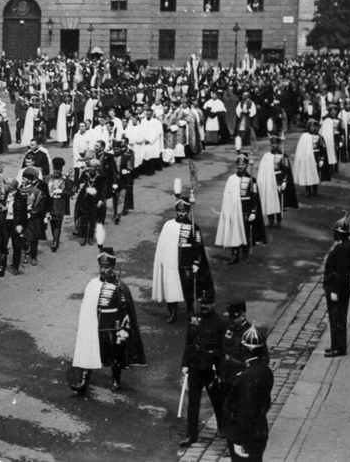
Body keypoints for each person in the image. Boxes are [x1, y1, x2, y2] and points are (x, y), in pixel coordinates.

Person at [69, 247, 146, 396]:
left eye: (106, 267)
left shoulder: (120, 287)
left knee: (115, 355)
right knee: (88, 351)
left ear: (113, 268)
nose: (103, 270)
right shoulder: (92, 284)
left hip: (112, 326)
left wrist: (124, 328)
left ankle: (116, 380)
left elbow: (125, 311)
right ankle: (83, 383)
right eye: (101, 267)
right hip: (95, 324)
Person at [153, 190, 213, 324]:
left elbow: (198, 247)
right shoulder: (168, 225)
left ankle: (190, 311)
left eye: (184, 211)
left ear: (188, 211)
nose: (181, 213)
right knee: (171, 287)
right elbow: (163, 245)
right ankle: (173, 312)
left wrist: (196, 263)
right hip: (171, 263)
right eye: (179, 211)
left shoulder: (193, 227)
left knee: (188, 288)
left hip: (186, 263)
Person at [179, 289, 226, 448]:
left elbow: (223, 348)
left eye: (208, 304)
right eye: (202, 304)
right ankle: (191, 435)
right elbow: (189, 341)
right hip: (195, 366)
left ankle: (222, 427)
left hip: (211, 368)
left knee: (217, 400)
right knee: (193, 402)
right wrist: (185, 363)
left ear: (213, 303)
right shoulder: (194, 318)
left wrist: (221, 369)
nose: (204, 307)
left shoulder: (221, 322)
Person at [222, 325, 273, 461]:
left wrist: (238, 440)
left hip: (247, 434)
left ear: (245, 350)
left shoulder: (248, 376)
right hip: (259, 427)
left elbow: (246, 410)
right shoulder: (264, 369)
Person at [216, 151, 265, 265]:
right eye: (239, 165)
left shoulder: (252, 180)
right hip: (234, 209)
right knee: (234, 230)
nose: (240, 166)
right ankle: (234, 254)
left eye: (243, 165)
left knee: (246, 231)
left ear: (247, 165)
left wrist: (253, 211)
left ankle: (245, 251)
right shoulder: (231, 179)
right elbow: (227, 196)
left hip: (246, 208)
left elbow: (255, 197)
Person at [323, 214, 350, 358]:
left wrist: (335, 290)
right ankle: (336, 345)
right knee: (337, 318)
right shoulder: (347, 246)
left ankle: (339, 348)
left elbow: (342, 272)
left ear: (339, 233)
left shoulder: (342, 249)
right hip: (342, 287)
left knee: (337, 318)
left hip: (338, 288)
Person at [256, 135, 298, 227]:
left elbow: (286, 170)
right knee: (269, 200)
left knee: (278, 200)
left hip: (278, 181)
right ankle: (270, 219)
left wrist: (284, 181)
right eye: (272, 143)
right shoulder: (266, 156)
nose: (274, 145)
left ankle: (278, 214)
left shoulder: (283, 156)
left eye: (275, 143)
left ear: (279, 144)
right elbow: (263, 170)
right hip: (269, 181)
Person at [75, 159, 107, 247]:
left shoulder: (101, 176)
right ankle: (83, 237)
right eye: (91, 166)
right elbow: (79, 181)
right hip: (85, 198)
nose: (92, 168)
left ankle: (90, 237)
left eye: (94, 167)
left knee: (93, 219)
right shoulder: (85, 173)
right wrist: (81, 185)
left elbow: (103, 188)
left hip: (95, 199)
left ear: (97, 167)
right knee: (84, 218)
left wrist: (101, 200)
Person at [293, 120, 330, 197]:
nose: (312, 128)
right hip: (307, 158)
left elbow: (323, 149)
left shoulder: (320, 137)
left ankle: (315, 188)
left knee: (315, 172)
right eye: (311, 126)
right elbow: (301, 149)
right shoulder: (304, 136)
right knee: (307, 173)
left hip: (316, 157)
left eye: (314, 126)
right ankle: (308, 189)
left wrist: (322, 159)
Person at [47, 158, 73, 252]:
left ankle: (55, 242)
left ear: (61, 170)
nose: (56, 172)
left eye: (58, 170)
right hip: (50, 203)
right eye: (55, 170)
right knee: (52, 222)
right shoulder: (48, 178)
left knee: (58, 223)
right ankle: (55, 238)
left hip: (60, 204)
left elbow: (70, 193)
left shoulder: (67, 180)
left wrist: (62, 191)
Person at [111, 138, 135, 221]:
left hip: (124, 180)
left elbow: (129, 166)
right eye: (114, 149)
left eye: (117, 149)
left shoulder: (126, 155)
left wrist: (127, 170)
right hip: (114, 180)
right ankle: (115, 212)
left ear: (120, 149)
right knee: (114, 197)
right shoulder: (111, 156)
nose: (115, 151)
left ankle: (118, 213)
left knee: (121, 196)